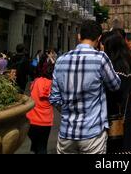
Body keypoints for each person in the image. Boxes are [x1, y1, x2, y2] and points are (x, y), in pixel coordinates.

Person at [50, 21, 121, 154]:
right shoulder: (100, 58)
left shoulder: (60, 60)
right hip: (92, 132)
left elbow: (54, 98)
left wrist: (69, 110)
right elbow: (115, 85)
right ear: (99, 38)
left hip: (67, 132)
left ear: (78, 36)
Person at [103, 31, 131, 154]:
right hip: (127, 118)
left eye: (103, 45)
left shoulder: (113, 68)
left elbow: (114, 95)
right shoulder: (127, 63)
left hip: (115, 124)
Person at [26, 57, 54, 154]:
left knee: (34, 146)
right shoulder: (53, 85)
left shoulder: (36, 81)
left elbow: (31, 92)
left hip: (32, 119)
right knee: (42, 146)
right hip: (46, 121)